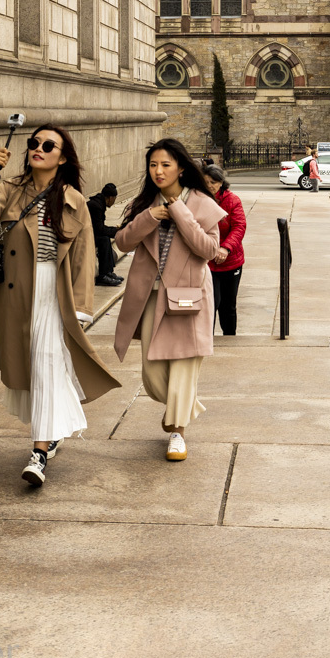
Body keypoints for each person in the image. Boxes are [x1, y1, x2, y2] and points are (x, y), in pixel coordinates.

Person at [0, 124, 120, 488]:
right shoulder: (10, 188)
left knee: (47, 364)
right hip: (16, 293)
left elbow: (84, 259)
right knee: (30, 367)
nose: (39, 148)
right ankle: (51, 433)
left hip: (54, 295)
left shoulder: (73, 200)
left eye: (48, 144)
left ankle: (38, 453)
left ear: (62, 156)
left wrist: (83, 308)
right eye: (33, 143)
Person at [113, 139, 223, 462]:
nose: (158, 171)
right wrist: (150, 216)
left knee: (184, 367)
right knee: (152, 374)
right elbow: (122, 242)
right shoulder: (146, 202)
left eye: (165, 165)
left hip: (190, 297)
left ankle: (178, 432)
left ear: (181, 168)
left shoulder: (201, 203)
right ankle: (180, 407)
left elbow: (209, 250)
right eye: (153, 165)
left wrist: (179, 212)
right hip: (153, 296)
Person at [202, 164, 247, 337]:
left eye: (213, 182)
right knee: (210, 303)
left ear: (221, 182)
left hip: (230, 261)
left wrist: (226, 248)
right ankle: (207, 340)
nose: (210, 186)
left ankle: (230, 337)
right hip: (208, 262)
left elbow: (239, 226)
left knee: (228, 305)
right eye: (206, 182)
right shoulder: (200, 200)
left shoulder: (232, 200)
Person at [88, 183, 122, 286]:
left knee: (105, 238)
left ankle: (108, 272)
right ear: (110, 198)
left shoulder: (99, 204)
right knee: (104, 240)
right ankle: (103, 276)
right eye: (115, 198)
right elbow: (99, 229)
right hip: (85, 236)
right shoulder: (96, 206)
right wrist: (116, 232)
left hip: (91, 233)